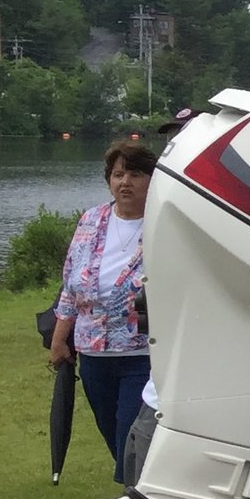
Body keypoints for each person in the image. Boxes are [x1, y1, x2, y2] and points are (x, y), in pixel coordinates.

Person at [49, 139, 156, 467]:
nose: (125, 182)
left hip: (142, 352)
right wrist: (59, 337)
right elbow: (70, 284)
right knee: (111, 431)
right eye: (118, 174)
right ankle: (134, 491)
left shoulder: (163, 222)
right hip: (93, 351)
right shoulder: (91, 219)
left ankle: (138, 496)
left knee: (131, 431)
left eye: (136, 174)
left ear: (152, 179)